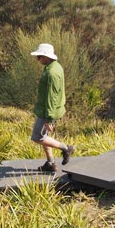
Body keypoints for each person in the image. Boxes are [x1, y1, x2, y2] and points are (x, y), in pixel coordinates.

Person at [30, 43, 75, 172]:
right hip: (46, 109)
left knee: (37, 137)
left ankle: (66, 148)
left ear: (46, 56)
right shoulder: (53, 67)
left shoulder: (52, 73)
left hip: (48, 111)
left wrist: (49, 119)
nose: (37, 59)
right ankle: (50, 164)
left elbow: (52, 97)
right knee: (45, 137)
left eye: (39, 56)